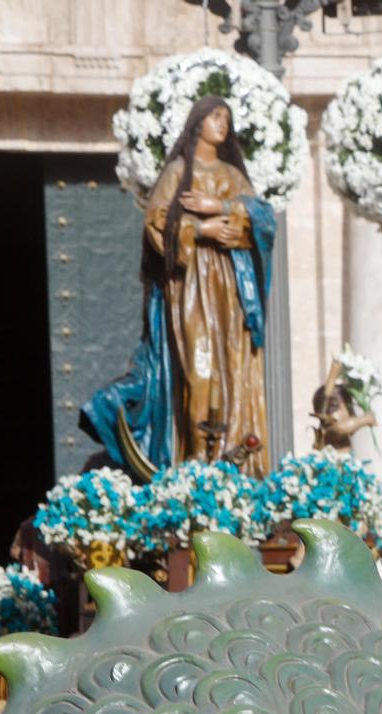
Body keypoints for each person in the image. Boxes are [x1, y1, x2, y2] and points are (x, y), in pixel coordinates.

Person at [82, 95, 277, 479]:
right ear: (198, 123)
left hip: (230, 290)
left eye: (227, 118)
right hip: (189, 289)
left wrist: (220, 209)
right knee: (197, 372)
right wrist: (199, 228)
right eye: (215, 117)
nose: (223, 124)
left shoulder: (233, 177)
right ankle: (193, 467)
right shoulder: (177, 172)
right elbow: (156, 225)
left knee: (230, 372)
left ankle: (232, 466)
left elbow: (263, 222)